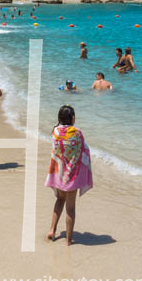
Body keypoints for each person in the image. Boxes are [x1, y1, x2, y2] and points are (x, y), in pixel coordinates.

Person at [44, 105, 93, 245]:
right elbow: (84, 150)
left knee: (59, 200)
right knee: (70, 208)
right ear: (72, 118)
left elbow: (56, 150)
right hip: (72, 175)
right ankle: (68, 240)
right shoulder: (77, 132)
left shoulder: (55, 131)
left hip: (58, 172)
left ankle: (52, 230)